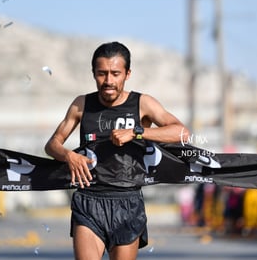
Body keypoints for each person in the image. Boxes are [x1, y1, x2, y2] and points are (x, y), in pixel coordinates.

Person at [45, 41, 190, 260]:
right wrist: (69, 156)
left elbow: (182, 134)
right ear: (93, 73)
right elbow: (52, 144)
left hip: (127, 202)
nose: (108, 81)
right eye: (102, 74)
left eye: (115, 73)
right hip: (88, 200)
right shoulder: (81, 104)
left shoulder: (142, 103)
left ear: (127, 74)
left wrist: (137, 133)